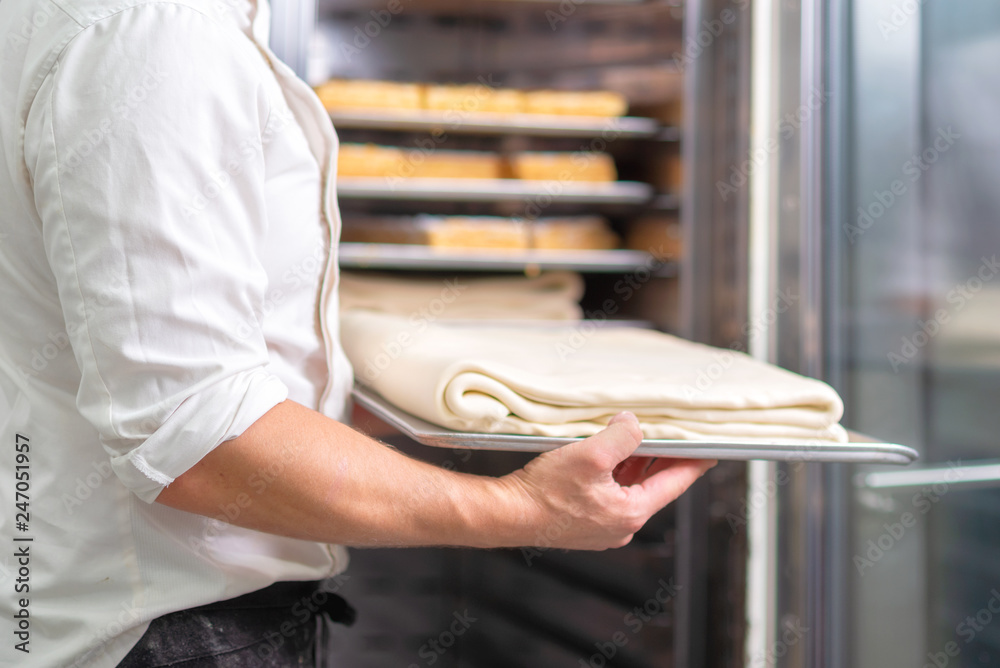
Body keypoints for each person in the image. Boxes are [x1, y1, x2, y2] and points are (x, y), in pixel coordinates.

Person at [0, 0, 715, 665]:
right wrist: (525, 509)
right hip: (159, 634)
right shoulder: (157, 35)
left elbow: (100, 338)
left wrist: (362, 398)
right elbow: (197, 439)